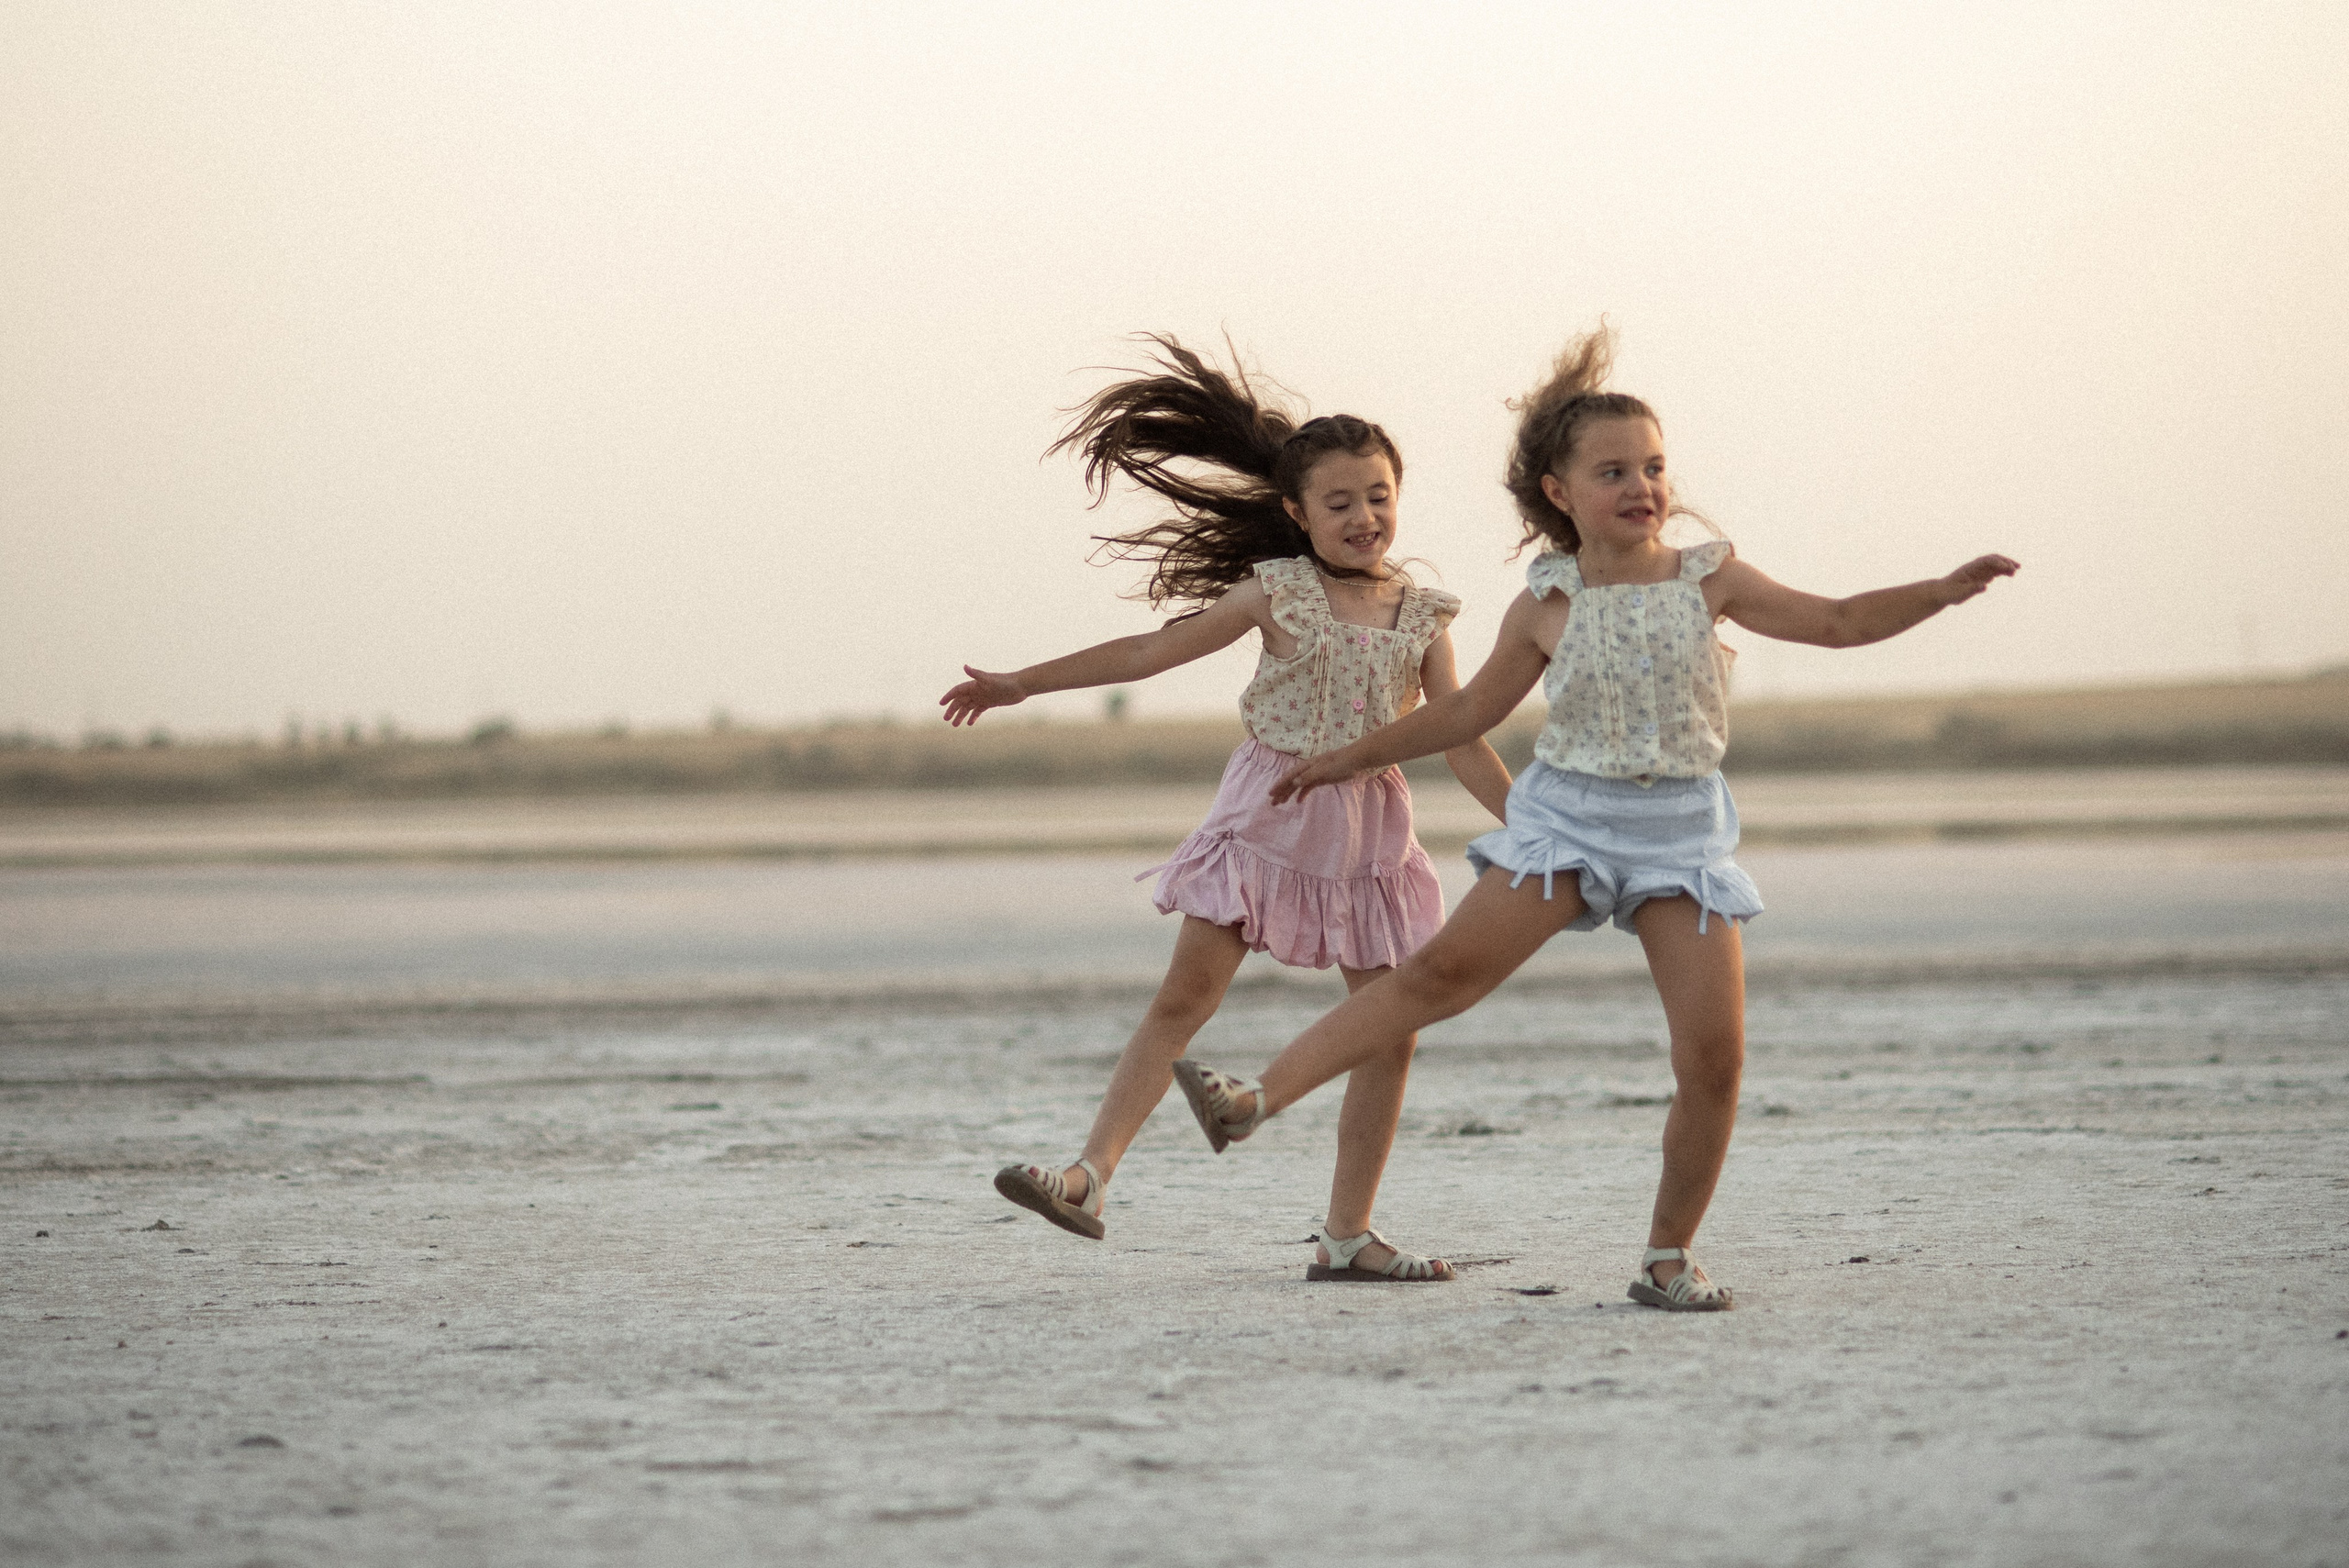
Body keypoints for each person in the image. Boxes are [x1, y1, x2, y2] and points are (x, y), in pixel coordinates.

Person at [1165, 326, 2019, 1309]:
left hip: (1680, 835)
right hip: (1566, 820)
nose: (1642, 485)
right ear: (1561, 492)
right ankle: (1252, 1096)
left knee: (1712, 1057)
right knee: (1435, 977)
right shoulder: (1545, 599)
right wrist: (1342, 760)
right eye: (1613, 470)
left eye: (1653, 467)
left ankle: (1666, 1256)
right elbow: (1463, 715)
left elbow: (1834, 621)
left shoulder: (1711, 578)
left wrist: (1938, 593)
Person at [941, 337, 1512, 1281]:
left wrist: (1536, 821)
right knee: (1184, 998)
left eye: (1378, 495)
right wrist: (1020, 683)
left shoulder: (1425, 611)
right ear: (1296, 512)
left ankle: (1347, 1234)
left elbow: (1458, 735)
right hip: (1268, 813)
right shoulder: (1275, 590)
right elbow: (1144, 655)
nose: (1364, 516)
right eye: (1338, 502)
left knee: (1386, 1030)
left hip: (1371, 830)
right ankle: (1088, 1175)